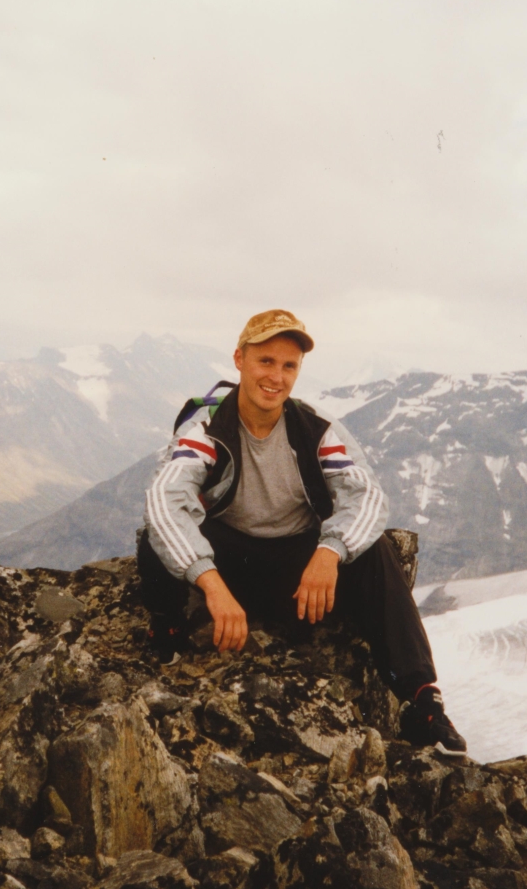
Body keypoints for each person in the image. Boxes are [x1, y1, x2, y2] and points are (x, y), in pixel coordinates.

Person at [137, 308, 466, 754]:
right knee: (155, 534)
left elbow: (367, 496)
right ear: (239, 360)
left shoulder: (316, 430)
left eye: (288, 365)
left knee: (376, 551)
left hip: (297, 568)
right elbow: (165, 499)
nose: (276, 377)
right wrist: (209, 582)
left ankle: (422, 700)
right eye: (265, 361)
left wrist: (329, 552)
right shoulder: (207, 430)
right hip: (230, 563)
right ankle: (168, 633)